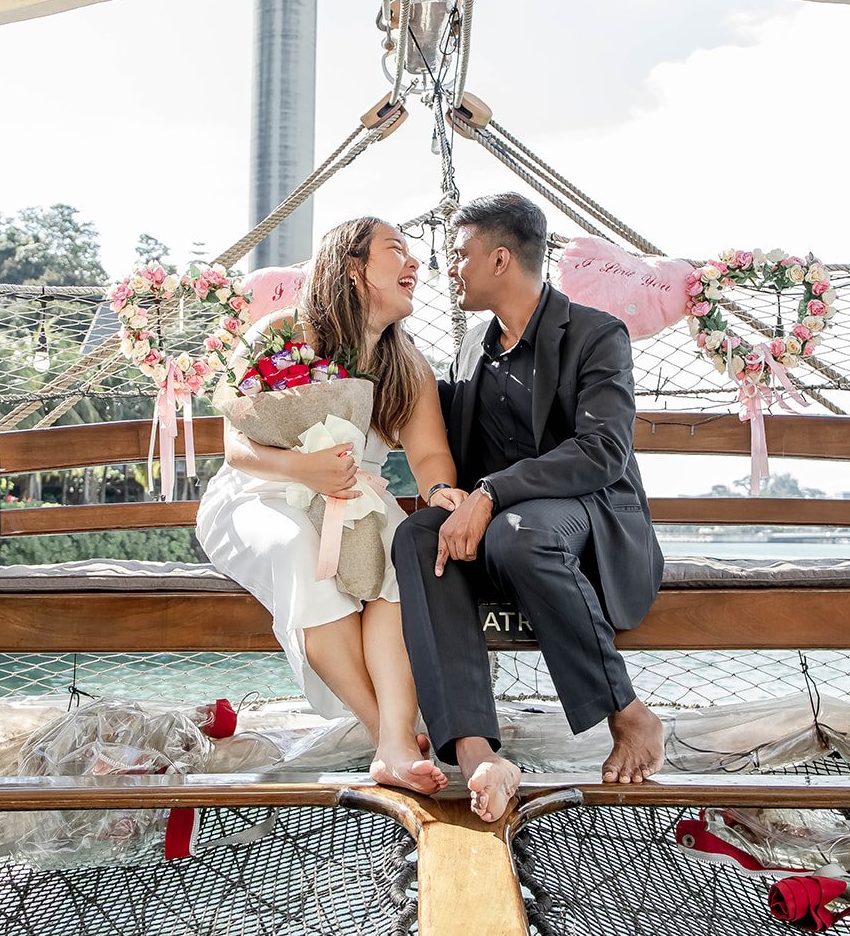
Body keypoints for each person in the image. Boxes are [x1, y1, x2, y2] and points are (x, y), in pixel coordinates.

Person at [392, 192, 666, 823]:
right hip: (500, 531)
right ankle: (475, 747)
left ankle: (628, 713)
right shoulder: (471, 347)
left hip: (586, 518)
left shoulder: (597, 334)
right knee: (417, 537)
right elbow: (435, 429)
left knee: (520, 533)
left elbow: (602, 451)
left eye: (459, 254)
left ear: (499, 260)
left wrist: (491, 493)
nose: (449, 269)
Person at [197, 217, 463, 795]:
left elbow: (429, 455)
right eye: (397, 250)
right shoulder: (279, 332)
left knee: (407, 555)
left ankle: (395, 736)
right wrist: (303, 469)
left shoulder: (406, 363)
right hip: (262, 492)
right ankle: (389, 739)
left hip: (353, 496)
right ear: (353, 266)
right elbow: (236, 447)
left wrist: (443, 491)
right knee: (300, 547)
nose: (415, 264)